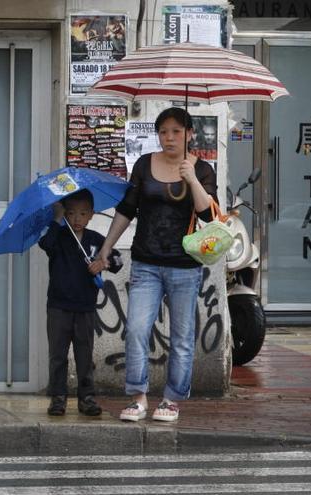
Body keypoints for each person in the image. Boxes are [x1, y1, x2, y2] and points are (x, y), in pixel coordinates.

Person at [90, 107, 217, 422]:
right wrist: (105, 248)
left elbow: (209, 216)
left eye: (176, 131)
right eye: (163, 131)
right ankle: (138, 397)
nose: (169, 137)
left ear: (190, 134)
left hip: (185, 267)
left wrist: (192, 179)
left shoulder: (202, 170)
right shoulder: (145, 165)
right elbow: (127, 209)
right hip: (146, 263)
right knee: (135, 330)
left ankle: (171, 401)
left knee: (182, 338)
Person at [39, 190, 121, 416]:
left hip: (85, 307)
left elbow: (117, 261)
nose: (77, 219)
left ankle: (87, 398)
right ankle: (58, 398)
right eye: (71, 213)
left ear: (91, 215)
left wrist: (102, 262)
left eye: (83, 213)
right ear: (65, 214)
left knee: (84, 355)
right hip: (58, 306)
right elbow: (45, 244)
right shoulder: (59, 237)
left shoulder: (96, 240)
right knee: (58, 355)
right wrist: (56, 219)